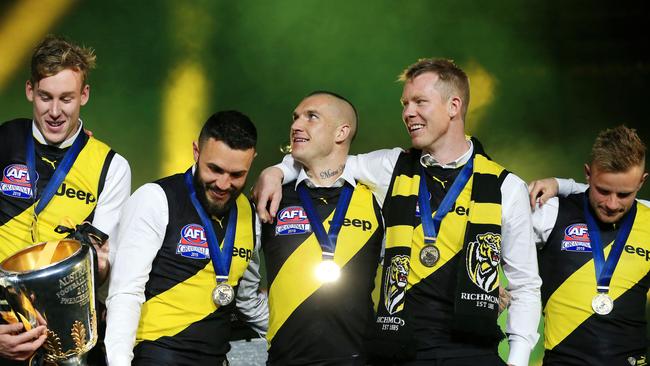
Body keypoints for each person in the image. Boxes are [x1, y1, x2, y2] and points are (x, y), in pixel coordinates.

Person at [255, 58, 541, 365]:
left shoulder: (505, 186)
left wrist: (519, 359)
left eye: (420, 102)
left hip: (470, 352)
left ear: (454, 106)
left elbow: (525, 284)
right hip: (399, 350)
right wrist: (277, 171)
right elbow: (322, 159)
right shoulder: (390, 166)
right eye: (405, 103)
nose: (407, 113)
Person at [0, 35, 131, 363]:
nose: (55, 111)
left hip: (63, 337)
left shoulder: (111, 167)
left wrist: (98, 266)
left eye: (66, 98)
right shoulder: (3, 140)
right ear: (30, 90)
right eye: (45, 97)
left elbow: (102, 267)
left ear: (84, 95)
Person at [104, 111, 268, 366]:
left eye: (237, 175)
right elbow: (125, 293)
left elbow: (248, 301)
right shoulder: (155, 199)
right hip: (156, 357)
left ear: (252, 161)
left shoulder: (250, 215)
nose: (224, 184)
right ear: (196, 151)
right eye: (215, 169)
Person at [261, 91, 383, 365]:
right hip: (285, 360)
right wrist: (271, 326)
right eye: (295, 118)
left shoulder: (376, 198)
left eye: (311, 117)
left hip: (359, 359)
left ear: (342, 132)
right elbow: (243, 272)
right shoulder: (272, 195)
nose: (295, 125)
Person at [529, 126, 649, 365]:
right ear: (588, 174)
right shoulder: (549, 212)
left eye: (624, 194)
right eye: (603, 191)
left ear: (641, 183)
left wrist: (561, 183)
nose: (612, 204)